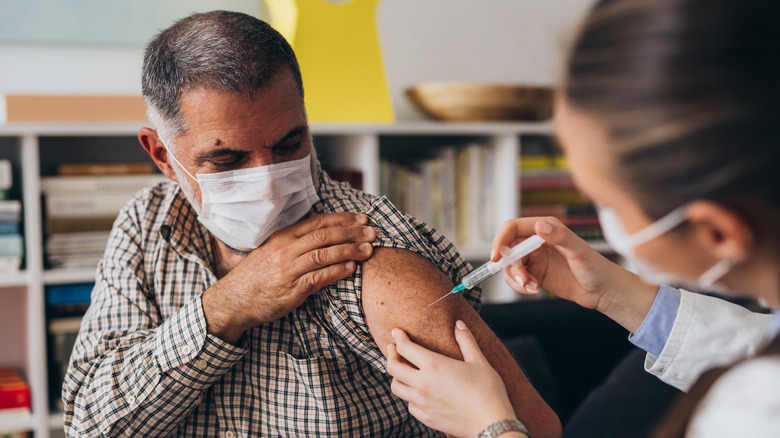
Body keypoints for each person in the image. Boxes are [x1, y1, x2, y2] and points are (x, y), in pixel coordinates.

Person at [61, 11, 560, 438]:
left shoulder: (375, 255)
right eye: (227, 159)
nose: (271, 186)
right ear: (163, 155)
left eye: (287, 145)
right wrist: (226, 306)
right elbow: (87, 423)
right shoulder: (147, 223)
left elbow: (531, 428)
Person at [386, 0, 780, 437]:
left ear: (718, 232)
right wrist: (611, 294)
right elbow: (751, 341)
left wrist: (491, 425)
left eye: (605, 201)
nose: (600, 218)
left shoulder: (756, 408)